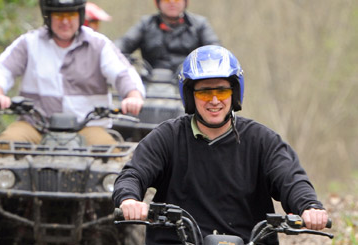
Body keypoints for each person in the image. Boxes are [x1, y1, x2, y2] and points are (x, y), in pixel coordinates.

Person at [112, 45, 329, 244]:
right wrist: (129, 199)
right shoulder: (167, 137)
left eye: (222, 91)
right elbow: (134, 174)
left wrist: (309, 206)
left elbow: (290, 179)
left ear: (234, 93)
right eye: (205, 92)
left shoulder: (262, 140)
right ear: (190, 95)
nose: (214, 101)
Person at [0, 0, 145, 146]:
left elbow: (123, 73)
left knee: (112, 161)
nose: (66, 21)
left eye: (71, 14)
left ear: (80, 15)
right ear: (48, 16)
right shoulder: (29, 43)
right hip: (34, 126)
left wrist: (133, 96)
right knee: (5, 147)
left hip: (87, 127)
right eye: (59, 15)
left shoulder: (98, 44)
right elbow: (2, 69)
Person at [114, 0, 221, 75]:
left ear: (185, 2)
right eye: (166, 0)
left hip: (190, 81)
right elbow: (124, 43)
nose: (172, 2)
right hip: (150, 81)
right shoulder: (145, 24)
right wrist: (110, 54)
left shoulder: (200, 25)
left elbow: (215, 49)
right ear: (158, 2)